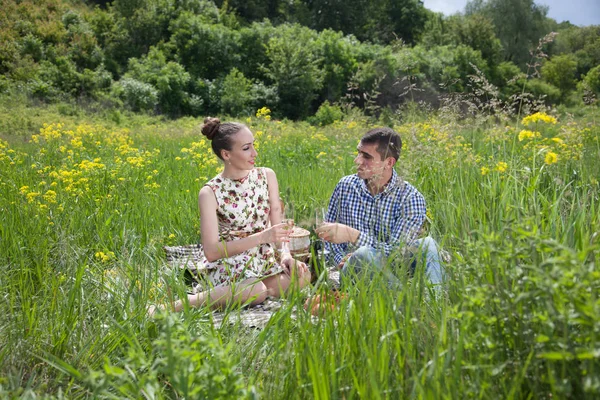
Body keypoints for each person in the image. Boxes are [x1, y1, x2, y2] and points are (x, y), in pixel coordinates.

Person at [150, 118, 311, 315]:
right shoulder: (210, 192)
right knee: (255, 290)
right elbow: (212, 251)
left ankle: (238, 295)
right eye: (246, 148)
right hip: (231, 263)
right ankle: (179, 304)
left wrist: (285, 255)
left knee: (303, 276)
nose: (255, 153)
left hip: (264, 260)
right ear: (226, 154)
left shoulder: (267, 176)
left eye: (254, 145)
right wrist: (262, 237)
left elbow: (277, 229)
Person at [315, 127, 444, 288]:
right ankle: (406, 305)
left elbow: (396, 253)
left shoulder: (410, 197)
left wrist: (353, 235)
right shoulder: (345, 186)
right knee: (362, 256)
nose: (357, 161)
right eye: (359, 153)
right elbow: (329, 239)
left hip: (395, 268)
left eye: (366, 157)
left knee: (428, 244)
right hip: (352, 270)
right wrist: (341, 260)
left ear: (389, 162)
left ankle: (435, 305)